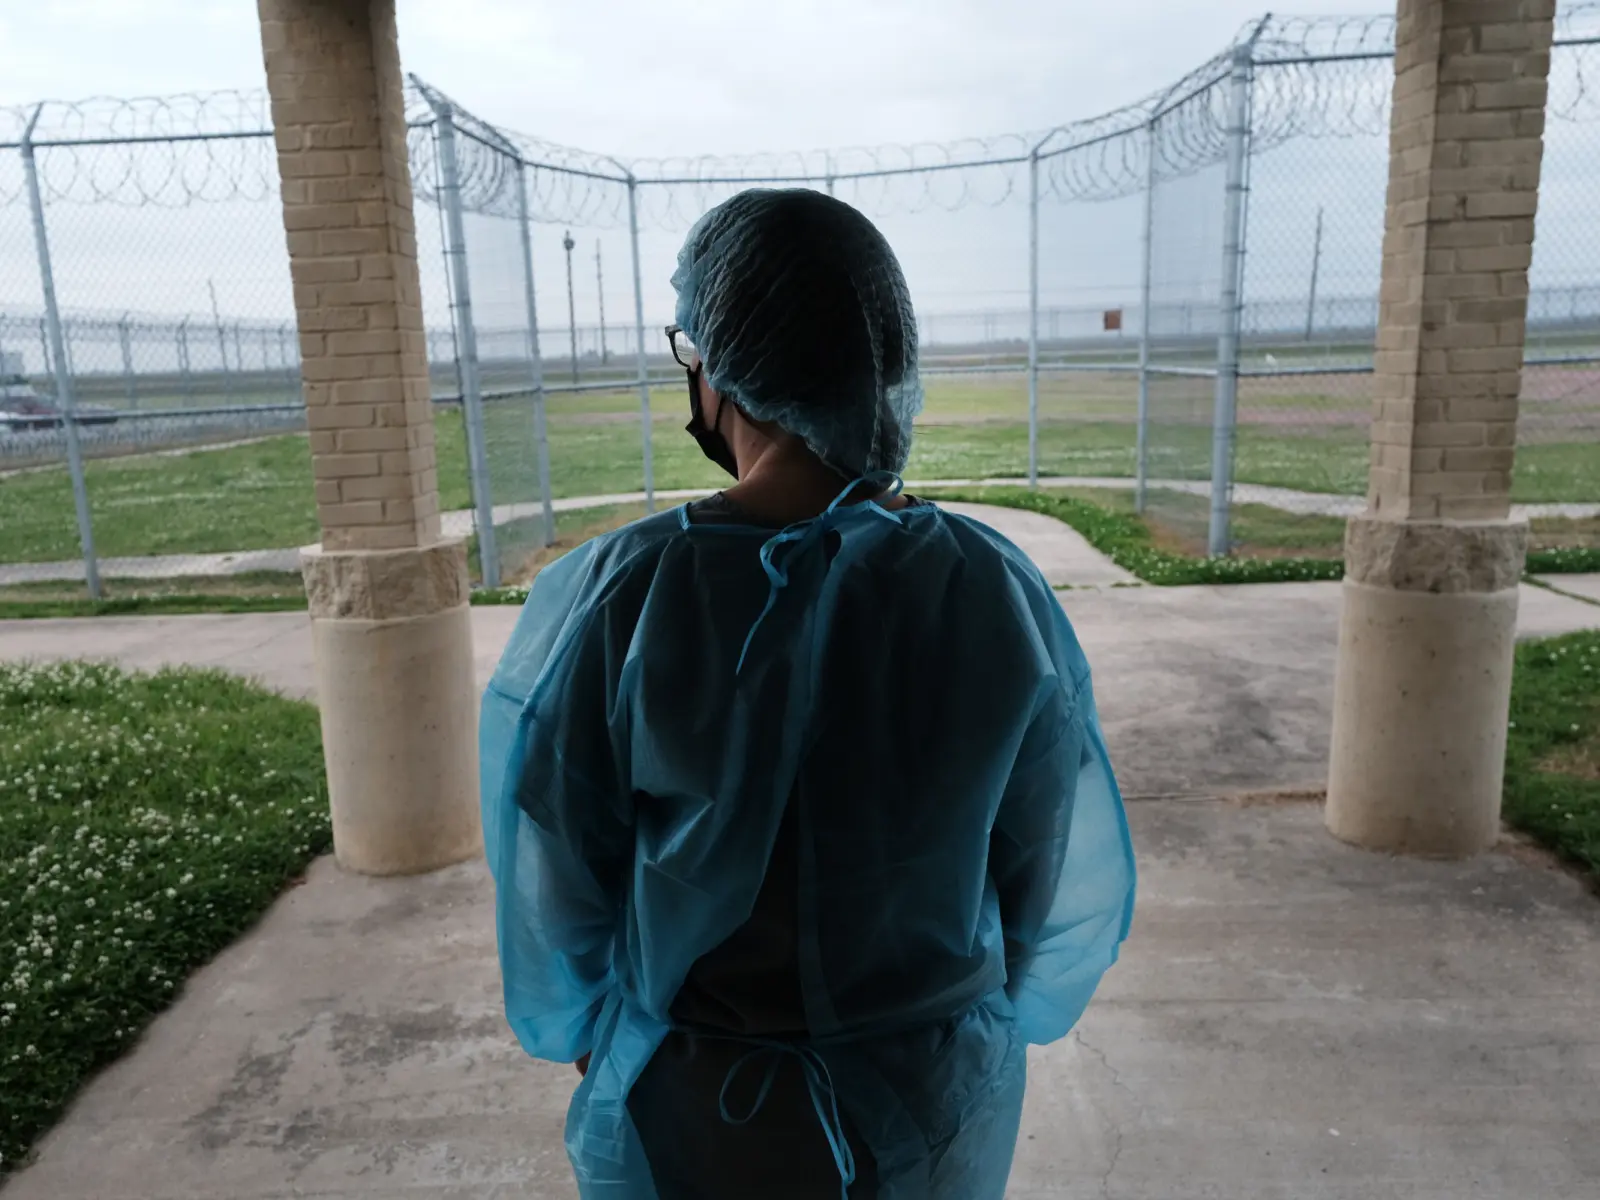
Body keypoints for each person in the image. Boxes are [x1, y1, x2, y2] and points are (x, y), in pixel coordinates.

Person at [479, 188, 1135, 1200]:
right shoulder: (990, 591)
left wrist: (588, 1033)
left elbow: (561, 882)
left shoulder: (626, 597)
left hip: (703, 1115)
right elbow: (1042, 884)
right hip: (934, 1106)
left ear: (719, 364)